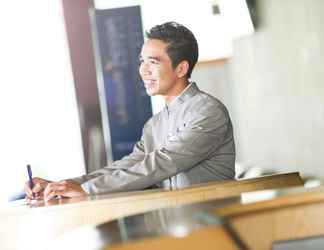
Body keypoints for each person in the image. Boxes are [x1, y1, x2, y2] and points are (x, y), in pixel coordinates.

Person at [25, 22, 235, 202]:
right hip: (175, 227)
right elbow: (128, 166)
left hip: (216, 225)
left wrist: (86, 190)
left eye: (153, 62)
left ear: (181, 69)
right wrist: (69, 185)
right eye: (142, 61)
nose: (143, 70)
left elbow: (162, 162)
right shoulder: (155, 124)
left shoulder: (208, 111)